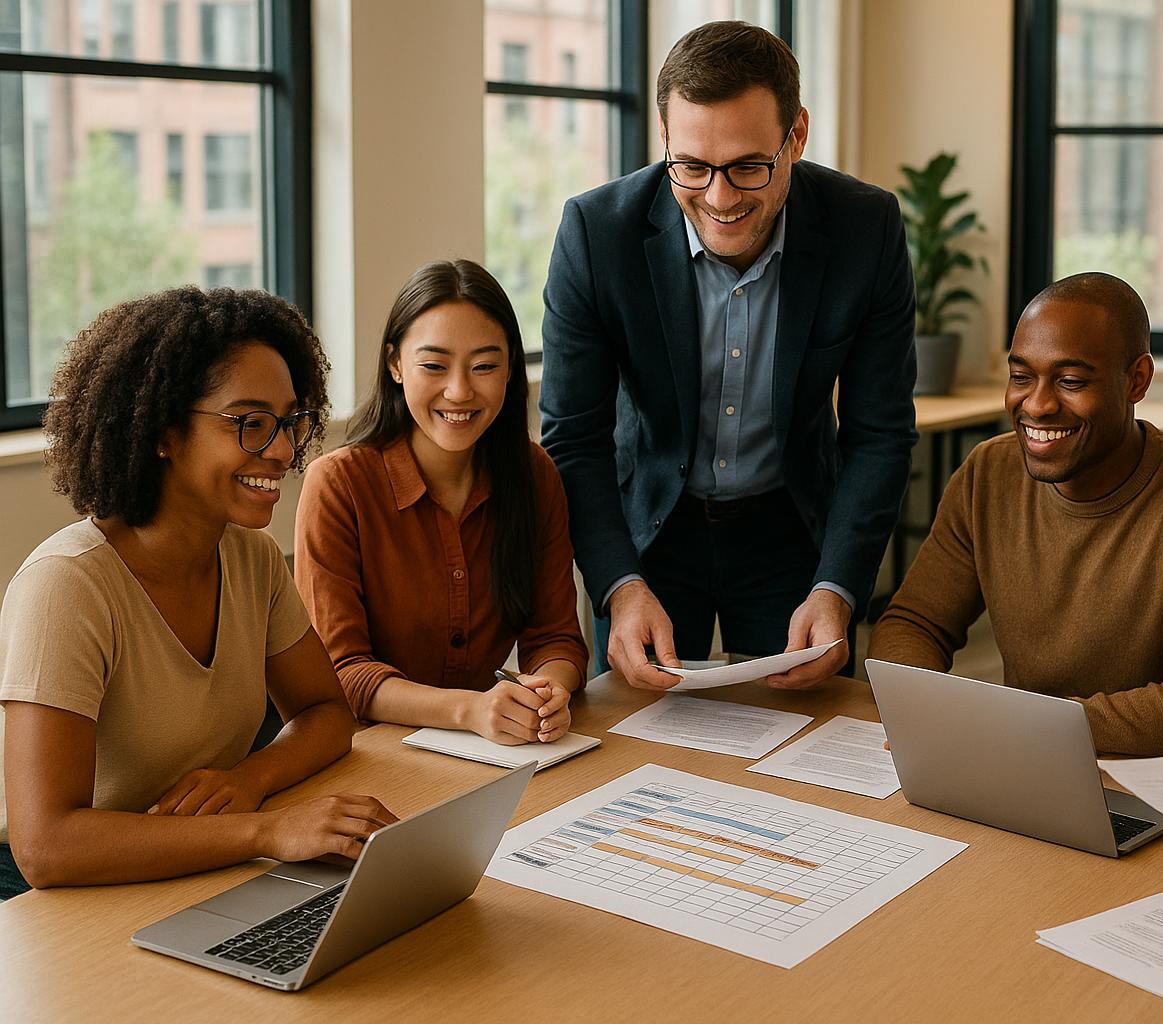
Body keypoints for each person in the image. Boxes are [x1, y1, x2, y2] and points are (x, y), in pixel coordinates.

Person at [539, 21, 917, 691]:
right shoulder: (597, 235)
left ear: (795, 135)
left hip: (791, 530)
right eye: (691, 166)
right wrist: (619, 586)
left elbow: (880, 434)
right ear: (664, 139)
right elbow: (574, 437)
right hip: (650, 533)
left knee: (807, 741)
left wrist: (836, 589)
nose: (719, 199)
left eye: (748, 166)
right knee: (639, 744)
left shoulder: (867, 228)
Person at [0, 286, 395, 900]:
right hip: (51, 898)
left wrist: (250, 778)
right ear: (161, 431)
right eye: (250, 424)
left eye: (288, 422)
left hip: (188, 862)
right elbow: (45, 848)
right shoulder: (67, 586)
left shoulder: (251, 558)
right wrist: (262, 830)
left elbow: (327, 715)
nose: (285, 451)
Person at [868, 272, 1163, 756]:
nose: (1036, 405)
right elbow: (913, 623)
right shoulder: (988, 473)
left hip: (1159, 789)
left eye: (1071, 381)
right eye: (1021, 377)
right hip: (1027, 762)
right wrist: (923, 706)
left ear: (1136, 380)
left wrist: (1012, 724)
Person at [295, 260, 587, 745]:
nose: (459, 391)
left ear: (511, 367)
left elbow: (555, 637)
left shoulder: (534, 475)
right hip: (374, 757)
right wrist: (471, 710)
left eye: (485, 366)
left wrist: (547, 692)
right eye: (433, 365)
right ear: (395, 364)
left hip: (493, 753)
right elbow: (342, 674)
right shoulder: (337, 485)